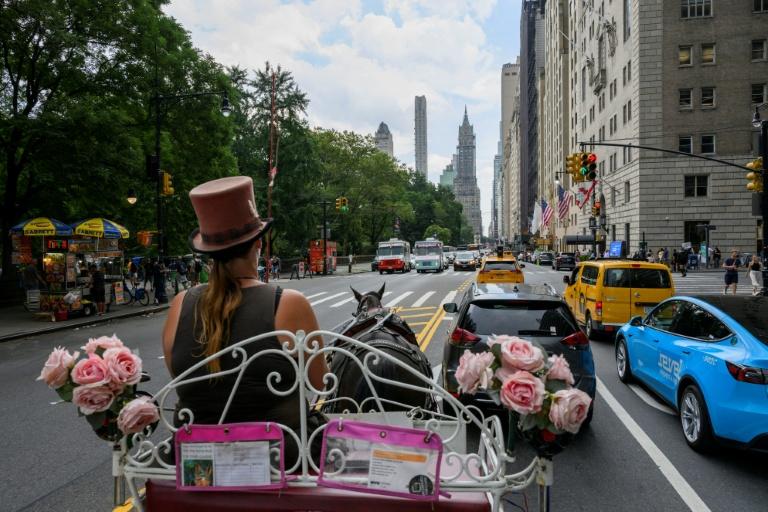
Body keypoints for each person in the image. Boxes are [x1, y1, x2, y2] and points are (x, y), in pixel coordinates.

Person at [161, 176, 328, 465]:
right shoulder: (288, 303)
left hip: (197, 461)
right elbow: (322, 382)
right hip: (279, 459)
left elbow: (183, 379)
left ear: (208, 252)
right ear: (259, 243)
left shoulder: (180, 305)